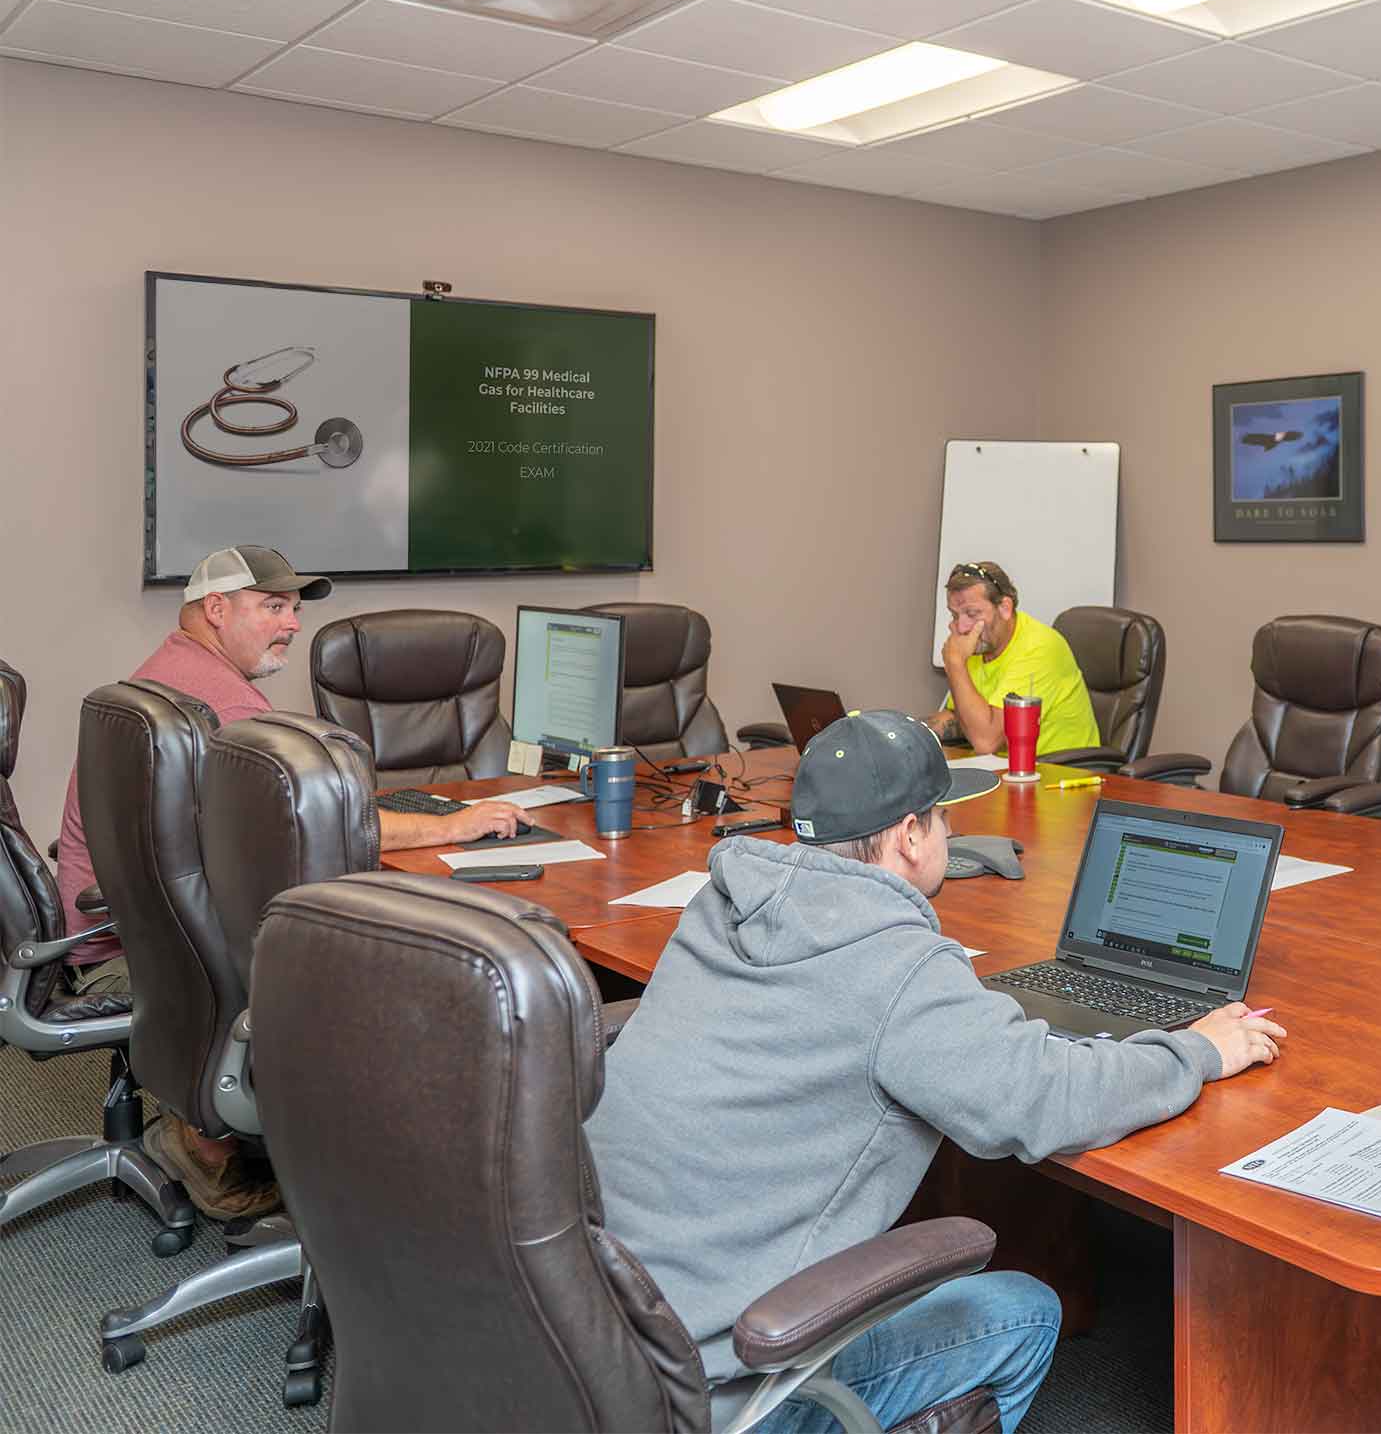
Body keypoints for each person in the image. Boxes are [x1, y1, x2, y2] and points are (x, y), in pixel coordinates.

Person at [587, 711, 1284, 1430]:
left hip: (586, 1329)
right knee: (1022, 1308)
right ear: (909, 836)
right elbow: (1044, 1101)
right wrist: (1198, 1051)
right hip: (710, 1386)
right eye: (944, 819)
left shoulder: (722, 904)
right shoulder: (896, 967)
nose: (951, 834)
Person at [53, 544, 531, 1217]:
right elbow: (324, 822)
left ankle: (209, 1133)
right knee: (410, 971)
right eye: (274, 607)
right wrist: (453, 825)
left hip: (117, 930)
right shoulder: (226, 709)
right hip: (138, 956)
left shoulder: (168, 674)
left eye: (295, 609)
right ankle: (397, 1190)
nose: (292, 624)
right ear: (215, 610)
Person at [923, 560, 1100, 759]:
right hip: (1000, 768)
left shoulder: (1038, 647)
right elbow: (958, 716)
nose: (961, 627)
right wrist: (909, 734)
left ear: (1005, 608)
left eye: (972, 614)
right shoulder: (979, 646)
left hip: (1057, 770)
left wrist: (955, 663)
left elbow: (986, 742)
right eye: (955, 615)